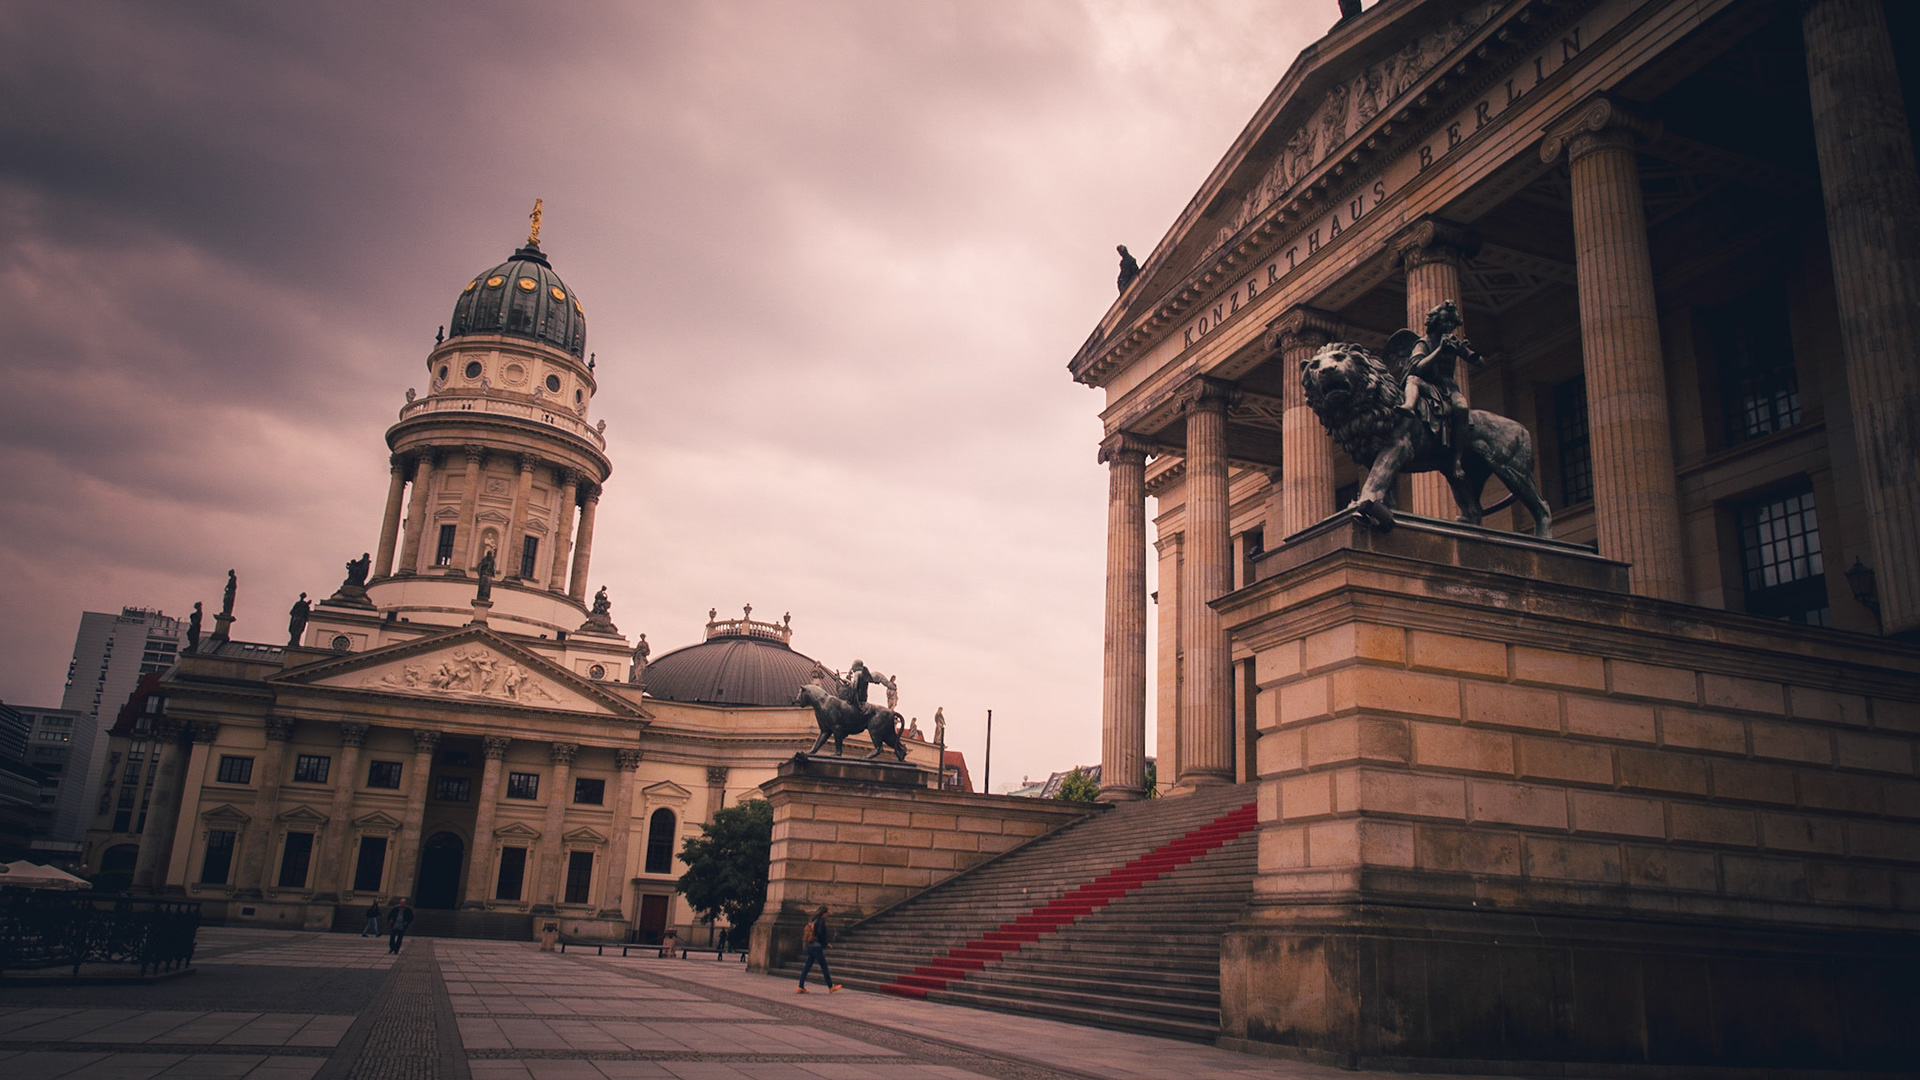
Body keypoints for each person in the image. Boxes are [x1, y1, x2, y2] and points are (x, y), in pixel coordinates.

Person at [796, 904, 841, 993]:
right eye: (827, 912)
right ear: (823, 913)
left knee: (807, 967)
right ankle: (830, 986)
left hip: (810, 945)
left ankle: (800, 986)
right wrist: (825, 943)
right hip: (817, 947)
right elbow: (820, 934)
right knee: (824, 967)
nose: (827, 914)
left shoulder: (814, 920)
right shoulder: (821, 921)